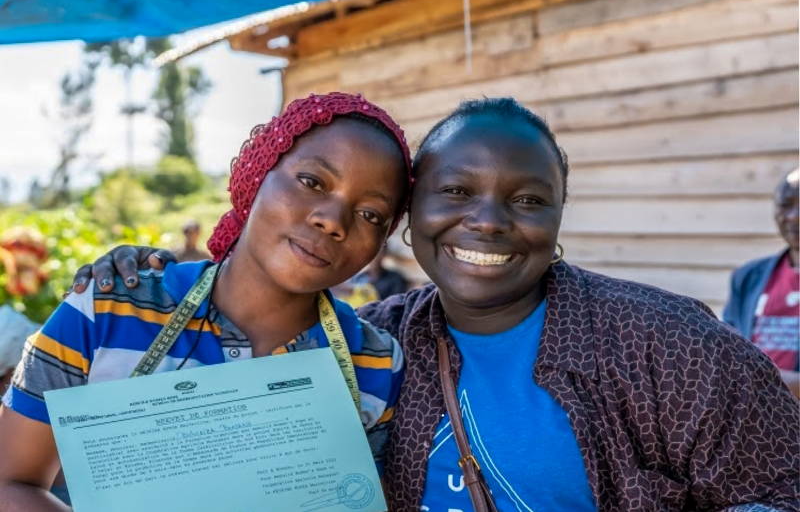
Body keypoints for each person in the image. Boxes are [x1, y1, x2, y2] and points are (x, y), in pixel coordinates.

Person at [71, 98, 799, 511]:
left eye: (529, 200)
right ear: (409, 216)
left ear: (558, 217)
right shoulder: (368, 348)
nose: (488, 221)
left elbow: (778, 489)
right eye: (455, 191)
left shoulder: (668, 347)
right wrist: (148, 281)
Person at [0, 92, 412, 511]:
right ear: (258, 172)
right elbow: (10, 483)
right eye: (312, 182)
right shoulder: (107, 311)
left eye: (370, 215)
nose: (332, 220)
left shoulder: (374, 364)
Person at [724, 168, 799, 398]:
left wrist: (769, 381)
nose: (793, 216)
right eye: (785, 205)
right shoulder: (748, 277)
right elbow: (726, 348)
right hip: (752, 412)